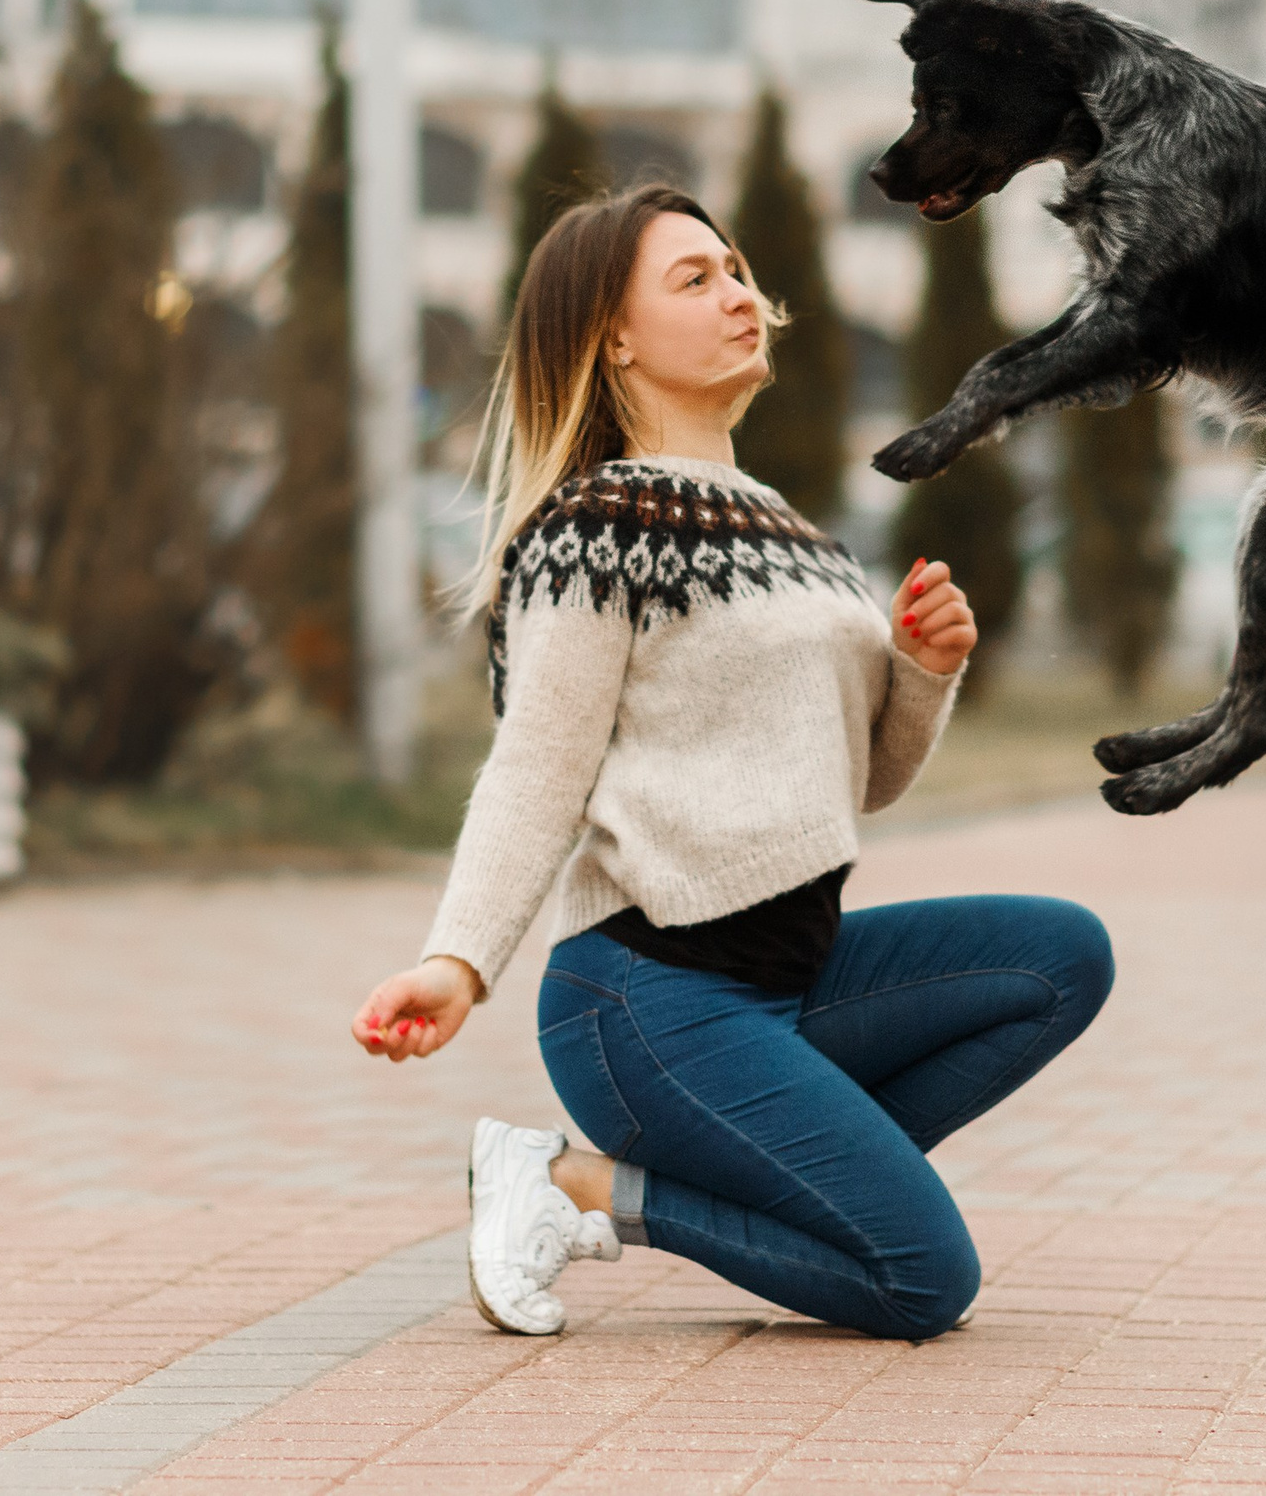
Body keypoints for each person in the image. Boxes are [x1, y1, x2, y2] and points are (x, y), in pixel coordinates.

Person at [349, 184, 1113, 1341]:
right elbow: (537, 771)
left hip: (789, 983)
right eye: (694, 280)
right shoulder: (598, 527)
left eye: (739, 271)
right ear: (615, 336)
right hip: (647, 1000)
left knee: (1060, 955)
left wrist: (919, 672)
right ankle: (580, 1187)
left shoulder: (796, 537)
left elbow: (858, 785)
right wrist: (457, 962)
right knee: (921, 1280)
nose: (739, 296)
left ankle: (781, 1185)